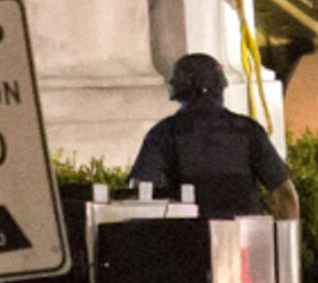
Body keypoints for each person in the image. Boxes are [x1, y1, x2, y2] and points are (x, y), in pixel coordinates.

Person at [127, 53, 296, 218]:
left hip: (184, 241)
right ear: (221, 87)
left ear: (177, 90)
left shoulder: (163, 133)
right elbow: (286, 196)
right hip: (245, 241)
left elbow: (140, 193)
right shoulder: (249, 131)